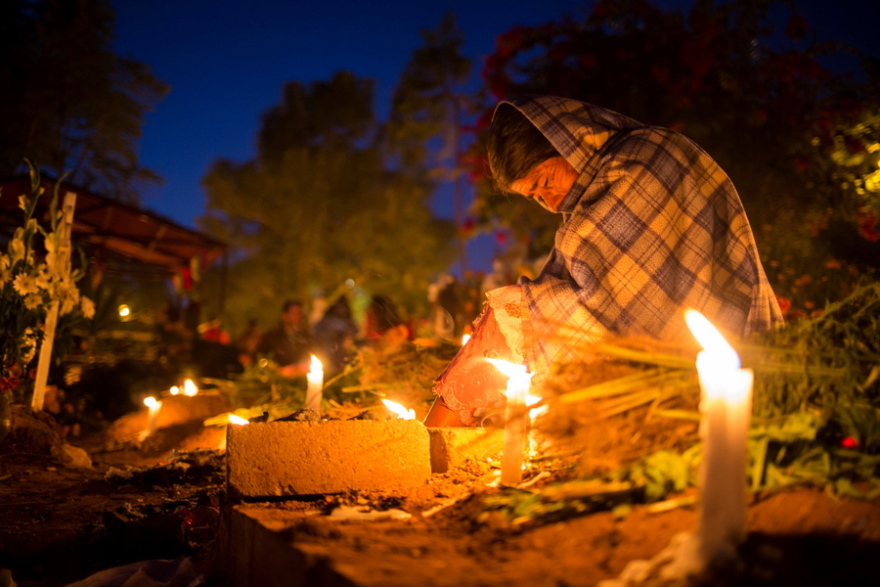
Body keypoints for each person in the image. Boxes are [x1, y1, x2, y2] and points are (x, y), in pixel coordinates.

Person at [424, 96, 784, 427]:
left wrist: (521, 313)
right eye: (534, 196)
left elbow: (621, 302)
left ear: (572, 143)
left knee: (517, 316)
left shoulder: (645, 162)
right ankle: (438, 431)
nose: (549, 203)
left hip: (723, 350)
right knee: (516, 316)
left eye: (545, 181)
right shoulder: (590, 196)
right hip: (676, 362)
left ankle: (437, 433)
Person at [257, 300, 315, 376]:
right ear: (285, 316)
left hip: (302, 380)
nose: (299, 316)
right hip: (278, 381)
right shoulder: (272, 337)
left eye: (300, 313)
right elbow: (261, 359)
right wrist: (279, 370)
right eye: (295, 313)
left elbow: (315, 357)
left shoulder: (307, 337)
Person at [313, 296, 358, 372]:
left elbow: (354, 331)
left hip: (341, 350)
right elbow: (316, 330)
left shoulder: (347, 321)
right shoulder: (327, 320)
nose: (341, 310)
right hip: (328, 348)